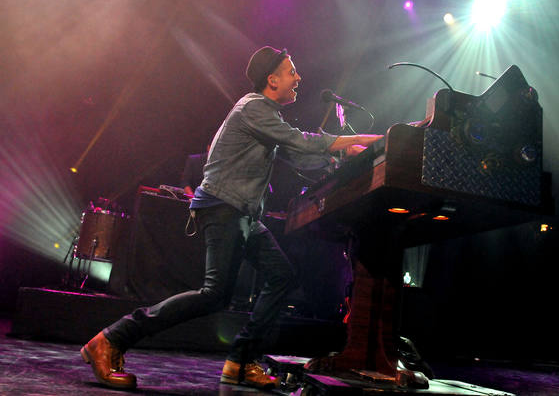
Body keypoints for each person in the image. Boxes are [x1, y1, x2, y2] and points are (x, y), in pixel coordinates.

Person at [80, 46, 384, 390]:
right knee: (214, 294)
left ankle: (240, 361)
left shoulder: (266, 116)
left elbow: (299, 155)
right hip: (224, 206)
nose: (298, 78)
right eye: (291, 72)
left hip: (242, 212)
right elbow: (300, 141)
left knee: (281, 276)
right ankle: (111, 339)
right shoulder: (253, 107)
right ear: (272, 80)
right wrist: (360, 140)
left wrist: (342, 155)